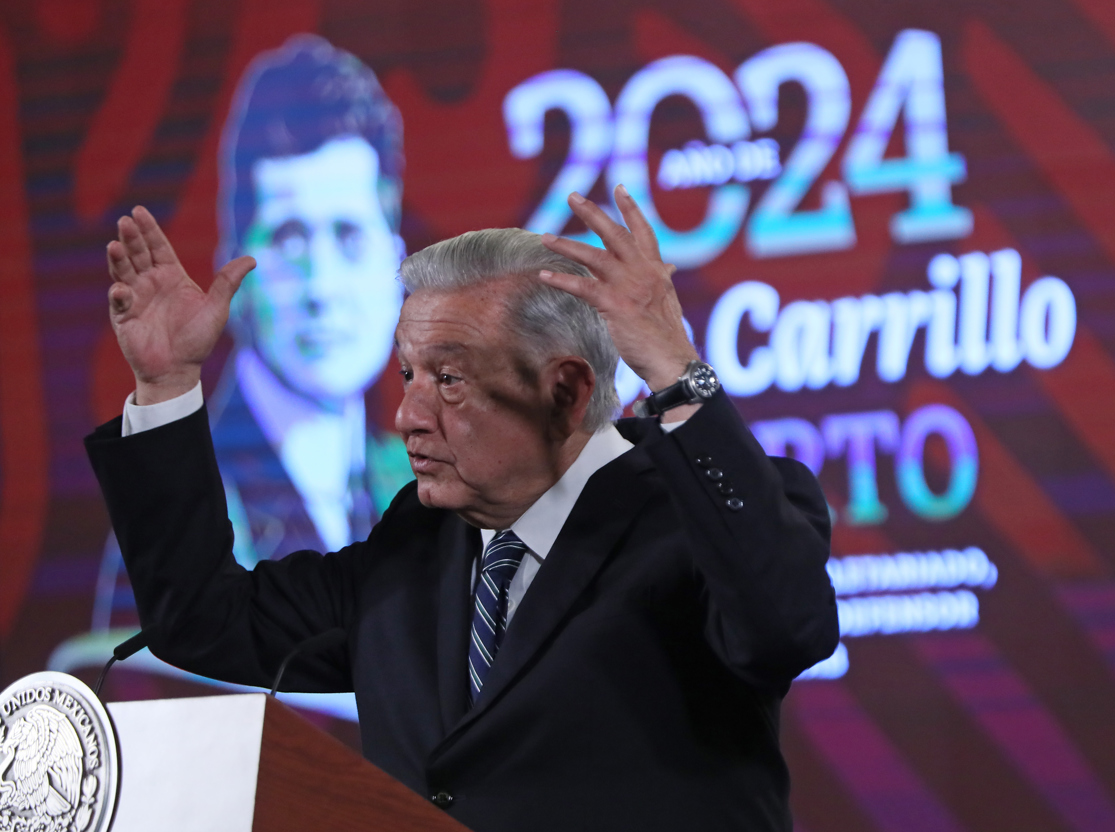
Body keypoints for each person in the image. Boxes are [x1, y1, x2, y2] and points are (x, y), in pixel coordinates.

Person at [87, 186, 838, 831]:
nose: (408, 414)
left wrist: (674, 372)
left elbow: (785, 627)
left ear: (567, 391)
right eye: (408, 372)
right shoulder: (415, 541)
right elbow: (203, 623)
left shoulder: (696, 517)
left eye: (448, 378)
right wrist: (166, 386)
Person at [87, 36, 411, 642]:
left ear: (396, 263)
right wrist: (163, 388)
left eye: (348, 236)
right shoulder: (185, 513)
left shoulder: (423, 487)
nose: (321, 288)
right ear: (230, 263)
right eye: (289, 238)